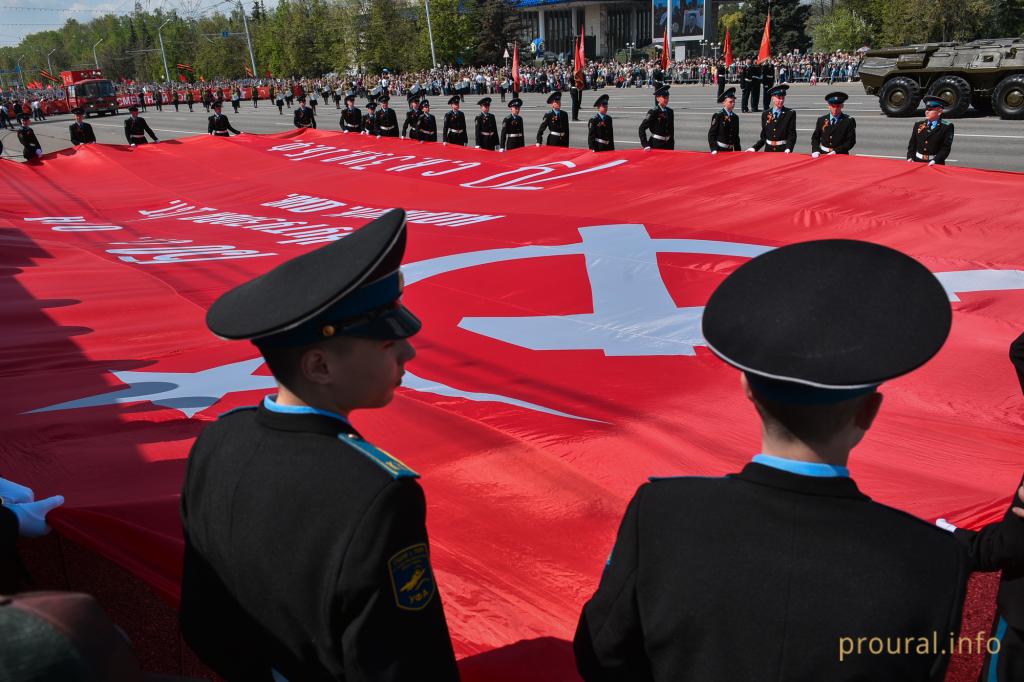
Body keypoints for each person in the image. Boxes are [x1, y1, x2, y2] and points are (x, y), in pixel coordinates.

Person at [575, 238, 978, 680]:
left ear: (748, 390)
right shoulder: (935, 558)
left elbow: (603, 655)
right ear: (869, 411)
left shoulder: (661, 515)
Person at [179, 209, 460, 682]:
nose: (408, 352)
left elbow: (203, 617)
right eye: (387, 344)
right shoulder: (376, 495)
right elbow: (404, 664)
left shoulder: (218, 440)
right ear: (320, 367)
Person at [747, 84, 796, 153]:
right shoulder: (765, 114)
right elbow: (764, 137)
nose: (781, 100)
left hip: (783, 150)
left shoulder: (790, 113)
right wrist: (754, 148)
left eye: (783, 98)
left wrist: (789, 148)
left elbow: (792, 135)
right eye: (779, 98)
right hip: (768, 150)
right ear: (773, 98)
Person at [907, 96, 954, 165]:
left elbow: (945, 148)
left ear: (939, 111)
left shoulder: (946, 127)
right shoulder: (918, 124)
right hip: (917, 161)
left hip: (934, 163)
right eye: (926, 109)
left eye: (930, 109)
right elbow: (912, 144)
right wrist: (910, 157)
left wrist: (935, 161)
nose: (927, 112)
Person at [811, 91, 856, 157]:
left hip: (840, 154)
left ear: (842, 106)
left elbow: (850, 141)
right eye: (833, 106)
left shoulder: (848, 121)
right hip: (823, 153)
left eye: (838, 106)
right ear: (829, 106)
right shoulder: (821, 120)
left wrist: (836, 151)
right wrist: (815, 150)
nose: (835, 109)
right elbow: (815, 137)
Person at [639, 86, 674, 151]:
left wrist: (672, 144)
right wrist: (645, 145)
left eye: (667, 97)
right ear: (657, 98)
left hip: (668, 144)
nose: (666, 100)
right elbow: (642, 128)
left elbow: (671, 130)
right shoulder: (653, 112)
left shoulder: (670, 111)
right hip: (656, 144)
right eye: (664, 97)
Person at [708, 87, 740, 153]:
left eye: (734, 102)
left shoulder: (735, 117)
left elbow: (736, 136)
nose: (733, 104)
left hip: (730, 150)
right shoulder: (718, 116)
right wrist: (713, 149)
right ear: (724, 103)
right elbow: (711, 134)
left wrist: (738, 151)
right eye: (730, 102)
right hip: (720, 150)